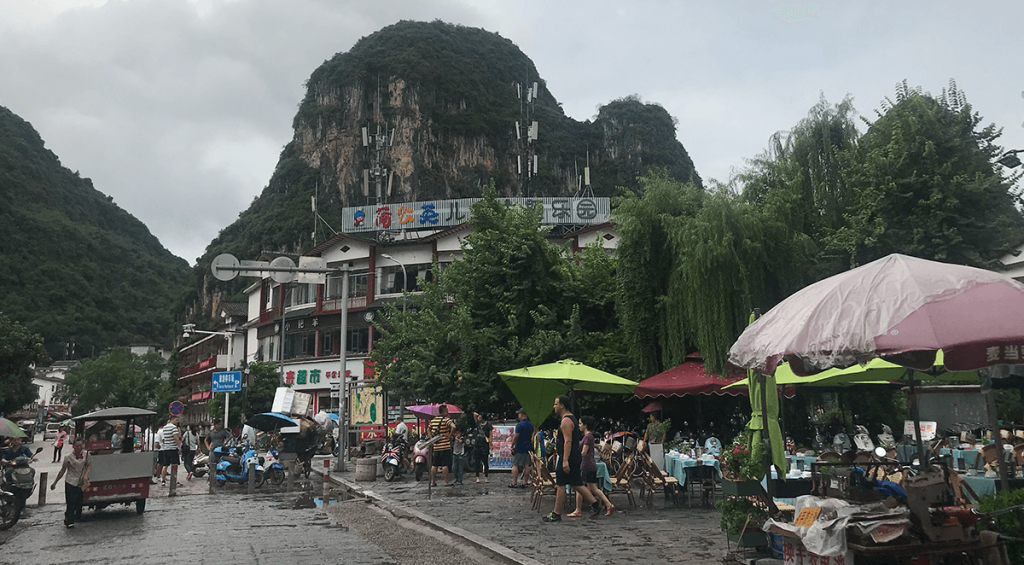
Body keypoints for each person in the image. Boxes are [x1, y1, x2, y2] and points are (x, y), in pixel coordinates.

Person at [543, 395, 600, 522]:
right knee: (576, 483)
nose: (554, 407)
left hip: (568, 456)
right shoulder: (571, 418)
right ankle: (595, 504)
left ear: (562, 405)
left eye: (556, 404)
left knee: (561, 484)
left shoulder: (566, 421)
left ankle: (556, 513)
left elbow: (567, 441)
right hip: (573, 456)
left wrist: (564, 460)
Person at [570, 416, 615, 517]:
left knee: (580, 486)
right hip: (590, 465)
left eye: (581, 423)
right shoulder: (589, 436)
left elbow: (584, 452)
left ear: (585, 425)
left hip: (587, 465)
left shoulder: (587, 437)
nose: (579, 426)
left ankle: (578, 510)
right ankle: (608, 505)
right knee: (593, 488)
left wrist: (575, 454)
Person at [51, 438, 90, 528]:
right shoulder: (68, 457)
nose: (79, 447)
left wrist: (85, 476)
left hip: (80, 482)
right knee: (70, 502)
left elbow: (88, 466)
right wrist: (55, 482)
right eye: (77, 446)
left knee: (78, 501)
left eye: (80, 445)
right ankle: (70, 520)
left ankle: (71, 515)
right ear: (73, 446)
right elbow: (63, 470)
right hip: (70, 481)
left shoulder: (87, 455)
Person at [428, 404, 455, 487]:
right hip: (445, 446)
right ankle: (446, 481)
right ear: (444, 411)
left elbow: (428, 429)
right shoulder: (446, 420)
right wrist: (450, 435)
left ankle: (433, 481)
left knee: (434, 464)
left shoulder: (433, 420)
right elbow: (453, 426)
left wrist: (432, 439)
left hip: (436, 446)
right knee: (445, 464)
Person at [509, 408, 534, 488]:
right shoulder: (531, 424)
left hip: (519, 447)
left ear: (522, 414)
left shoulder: (520, 425)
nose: (518, 415)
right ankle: (525, 482)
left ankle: (514, 482)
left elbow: (516, 436)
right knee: (527, 465)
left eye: (519, 413)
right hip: (528, 447)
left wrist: (512, 445)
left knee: (515, 464)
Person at [158, 415, 182, 485]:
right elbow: (175, 438)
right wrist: (179, 446)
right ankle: (174, 480)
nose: (177, 422)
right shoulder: (174, 427)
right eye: (176, 420)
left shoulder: (165, 427)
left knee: (165, 465)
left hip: (166, 448)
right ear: (173, 419)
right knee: (174, 465)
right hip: (173, 448)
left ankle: (163, 480)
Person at [473, 412, 492, 483]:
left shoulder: (488, 425)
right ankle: (477, 477)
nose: (478, 419)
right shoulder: (478, 424)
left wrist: (490, 441)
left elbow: (490, 434)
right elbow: (474, 414)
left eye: (480, 418)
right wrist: (478, 415)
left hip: (484, 445)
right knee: (477, 462)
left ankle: (486, 477)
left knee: (485, 462)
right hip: (477, 445)